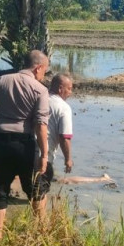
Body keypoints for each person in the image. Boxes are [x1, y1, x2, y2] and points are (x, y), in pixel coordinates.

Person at [0, 50, 49, 239]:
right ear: (38, 67)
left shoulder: (0, 81)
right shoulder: (40, 90)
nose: (44, 74)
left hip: (0, 141)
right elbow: (40, 125)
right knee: (34, 187)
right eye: (44, 70)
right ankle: (42, 231)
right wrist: (44, 155)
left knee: (0, 187)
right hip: (24, 143)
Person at [31, 72, 74, 214]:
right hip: (43, 155)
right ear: (61, 88)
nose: (71, 92)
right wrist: (68, 159)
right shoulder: (63, 107)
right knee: (40, 191)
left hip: (24, 149)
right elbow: (64, 137)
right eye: (69, 88)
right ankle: (40, 226)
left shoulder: (38, 98)